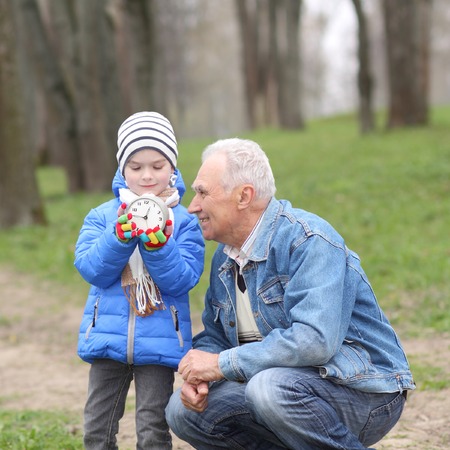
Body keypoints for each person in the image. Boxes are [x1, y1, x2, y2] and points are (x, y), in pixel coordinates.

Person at [165, 138, 415, 450]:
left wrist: (222, 364)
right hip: (283, 389)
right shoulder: (225, 258)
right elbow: (216, 337)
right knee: (182, 410)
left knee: (268, 389)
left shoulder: (308, 241)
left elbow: (314, 341)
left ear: (244, 196)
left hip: (361, 390)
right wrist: (199, 376)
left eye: (203, 192)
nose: (193, 206)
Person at [75, 111, 204, 449]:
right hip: (107, 337)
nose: (147, 176)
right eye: (136, 167)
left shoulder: (185, 222)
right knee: (96, 428)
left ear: (172, 167)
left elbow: (183, 280)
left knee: (152, 430)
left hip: (160, 341)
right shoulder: (102, 216)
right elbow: (92, 270)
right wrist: (118, 238)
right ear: (122, 169)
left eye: (157, 166)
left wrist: (159, 245)